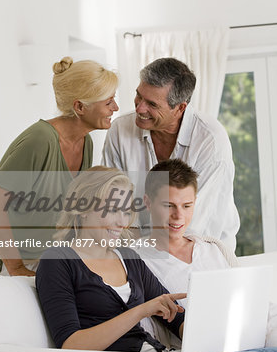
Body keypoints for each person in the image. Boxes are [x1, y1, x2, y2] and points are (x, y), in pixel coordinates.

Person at [36, 166, 277, 352]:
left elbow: (174, 317)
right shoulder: (57, 261)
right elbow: (71, 346)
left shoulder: (127, 257)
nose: (121, 222)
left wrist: (218, 335)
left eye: (125, 211)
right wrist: (140, 310)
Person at [0, 57, 119, 276]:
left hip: (37, 256)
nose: (115, 108)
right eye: (108, 102)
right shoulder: (40, 140)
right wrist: (16, 269)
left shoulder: (85, 142)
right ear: (80, 106)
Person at [102, 57, 239, 252]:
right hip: (138, 252)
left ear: (180, 108)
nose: (140, 108)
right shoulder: (120, 130)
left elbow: (191, 225)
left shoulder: (211, 141)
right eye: (139, 96)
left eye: (152, 104)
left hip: (200, 253)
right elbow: (113, 205)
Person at [136, 158, 277, 348]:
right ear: (148, 202)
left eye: (187, 206)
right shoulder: (136, 261)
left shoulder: (213, 248)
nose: (179, 216)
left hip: (248, 345)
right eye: (169, 206)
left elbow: (259, 308)